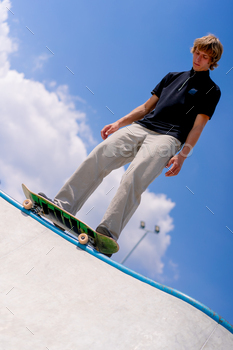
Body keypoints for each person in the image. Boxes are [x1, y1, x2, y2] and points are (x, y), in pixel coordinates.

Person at [40, 34, 223, 249]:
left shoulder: (212, 90)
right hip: (142, 127)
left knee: (134, 176)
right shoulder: (172, 76)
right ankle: (63, 205)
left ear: (212, 62)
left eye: (204, 57)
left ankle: (108, 231)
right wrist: (119, 122)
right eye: (196, 53)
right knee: (100, 153)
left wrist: (182, 155)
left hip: (168, 139)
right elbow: (146, 108)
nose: (198, 59)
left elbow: (198, 126)